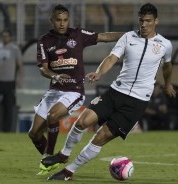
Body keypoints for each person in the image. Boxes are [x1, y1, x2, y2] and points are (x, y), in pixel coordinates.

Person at [41, 3, 176, 181]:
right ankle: (64, 154)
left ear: (156, 21)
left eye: (148, 21)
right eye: (141, 21)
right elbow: (112, 58)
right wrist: (99, 73)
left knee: (101, 136)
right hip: (115, 92)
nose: (144, 25)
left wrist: (168, 84)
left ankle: (69, 171)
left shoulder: (165, 45)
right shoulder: (128, 37)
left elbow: (167, 66)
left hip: (136, 102)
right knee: (83, 122)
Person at [28, 4, 124, 176]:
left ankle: (51, 157)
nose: (62, 23)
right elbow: (43, 69)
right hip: (54, 90)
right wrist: (55, 76)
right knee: (34, 133)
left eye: (65, 20)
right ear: (52, 21)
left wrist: (129, 35)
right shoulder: (44, 40)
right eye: (58, 20)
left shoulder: (77, 35)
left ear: (68, 20)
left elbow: (103, 36)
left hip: (73, 90)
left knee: (53, 115)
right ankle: (48, 158)